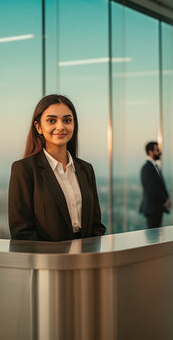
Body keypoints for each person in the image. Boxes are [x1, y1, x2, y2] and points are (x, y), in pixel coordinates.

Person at [8, 94, 106, 241]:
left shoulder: (86, 169)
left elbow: (96, 225)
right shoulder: (24, 170)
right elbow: (21, 233)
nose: (60, 126)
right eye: (51, 120)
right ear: (38, 127)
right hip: (47, 261)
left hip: (85, 260)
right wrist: (53, 260)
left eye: (67, 120)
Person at [139, 141, 170, 228]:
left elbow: (161, 186)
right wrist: (164, 201)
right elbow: (151, 189)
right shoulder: (147, 168)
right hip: (152, 209)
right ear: (150, 152)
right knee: (153, 237)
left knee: (156, 236)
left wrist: (166, 199)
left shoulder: (155, 167)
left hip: (157, 208)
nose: (160, 152)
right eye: (157, 150)